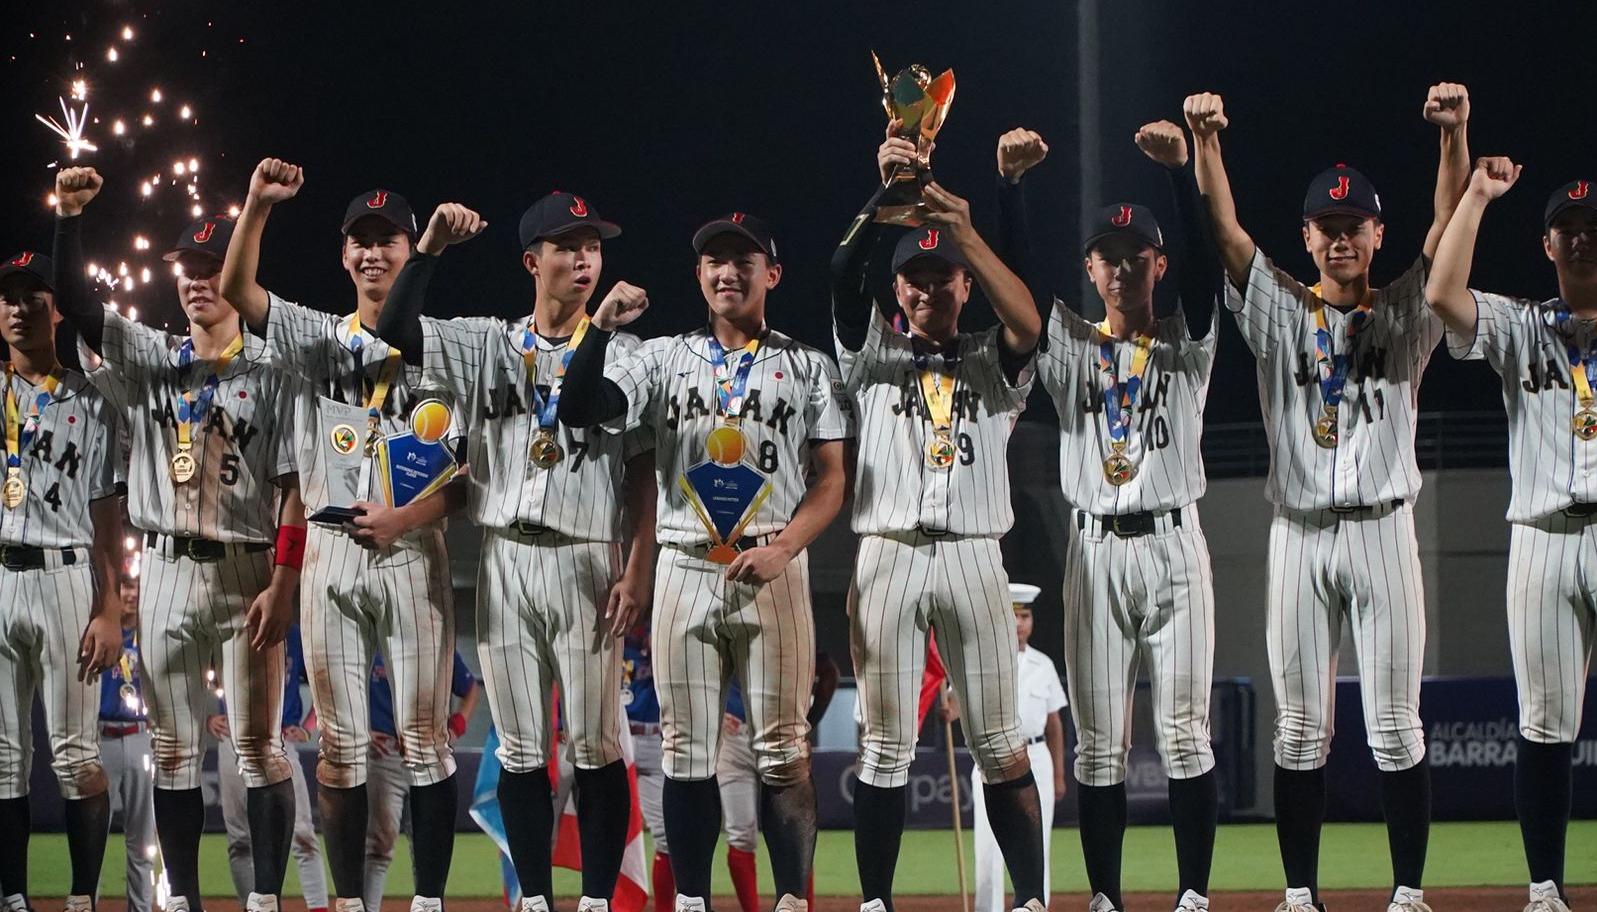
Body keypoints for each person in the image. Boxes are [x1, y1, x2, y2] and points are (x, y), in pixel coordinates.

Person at [1185, 84, 1472, 912]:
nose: (1341, 236)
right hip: (1299, 533)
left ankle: (1409, 891)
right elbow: (1227, 234)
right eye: (1328, 225)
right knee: (1299, 728)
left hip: (1383, 529)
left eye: (1355, 225)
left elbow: (1448, 230)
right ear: (1307, 234)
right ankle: (1301, 894)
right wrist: (1208, 140)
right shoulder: (1280, 312)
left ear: (1377, 234)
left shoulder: (1409, 312)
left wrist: (1453, 138)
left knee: (1394, 726)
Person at [559, 211, 854, 912]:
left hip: (772, 560)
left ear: (770, 275)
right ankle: (690, 900)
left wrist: (785, 547)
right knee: (686, 750)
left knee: (782, 750)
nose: (727, 271)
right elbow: (577, 409)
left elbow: (832, 479)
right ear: (697, 275)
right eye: (713, 260)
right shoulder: (657, 356)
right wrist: (598, 328)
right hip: (685, 563)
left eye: (742, 260)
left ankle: (790, 901)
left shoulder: (809, 364)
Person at [373, 191, 658, 912]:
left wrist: (636, 566)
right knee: (523, 751)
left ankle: (594, 900)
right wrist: (430, 248)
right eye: (567, 246)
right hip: (503, 556)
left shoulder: (627, 352)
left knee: (594, 747)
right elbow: (396, 327)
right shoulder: (487, 342)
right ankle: (533, 898)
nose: (584, 258)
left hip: (586, 558)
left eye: (593, 245)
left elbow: (582, 408)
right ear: (533, 262)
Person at [222, 159, 469, 912]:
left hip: (410, 550)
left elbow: (461, 479)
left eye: (387, 240)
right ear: (343, 255)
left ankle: (425, 900)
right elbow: (237, 291)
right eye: (359, 241)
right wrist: (258, 205)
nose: (372, 253)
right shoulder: (309, 336)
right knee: (339, 749)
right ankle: (353, 903)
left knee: (426, 743)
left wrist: (406, 517)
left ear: (409, 249)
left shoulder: (448, 344)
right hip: (330, 554)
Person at [54, 165, 303, 912]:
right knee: (172, 753)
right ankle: (185, 903)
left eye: (207, 268)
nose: (195, 282)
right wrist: (69, 218)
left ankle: (262, 899)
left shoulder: (277, 369)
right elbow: (76, 304)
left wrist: (285, 585)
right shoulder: (153, 358)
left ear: (235, 273)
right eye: (185, 270)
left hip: (246, 569)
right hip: (163, 567)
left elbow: (294, 488)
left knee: (258, 748)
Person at [992, 119, 1223, 912]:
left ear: (1157, 263)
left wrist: (1177, 177)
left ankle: (1192, 894)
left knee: (1186, 735)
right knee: (1098, 748)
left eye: (1138, 255)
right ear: (1088, 269)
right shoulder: (1069, 347)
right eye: (1107, 256)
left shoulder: (1188, 342)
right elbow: (1015, 291)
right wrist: (1011, 191)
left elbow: (1205, 281)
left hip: (1172, 545)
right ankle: (1105, 898)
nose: (1122, 266)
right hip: (1093, 551)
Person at [832, 124, 1045, 912]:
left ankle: (1027, 901)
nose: (927, 290)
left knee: (998, 742)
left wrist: (968, 230)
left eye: (943, 277)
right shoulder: (868, 354)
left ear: (965, 285)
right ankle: (877, 902)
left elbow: (1029, 321)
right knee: (885, 750)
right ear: (898, 292)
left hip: (971, 552)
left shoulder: (996, 359)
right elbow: (838, 275)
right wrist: (881, 187)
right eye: (913, 280)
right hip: (886, 549)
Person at [1423, 156, 1590, 912]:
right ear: (1546, 245)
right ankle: (1544, 886)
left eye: (1592, 230)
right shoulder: (1525, 327)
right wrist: (1478, 197)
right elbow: (1440, 293)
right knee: (1544, 721)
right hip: (1541, 535)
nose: (1582, 241)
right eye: (1567, 230)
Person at [211, 624, 328, 912]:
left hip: (280, 739)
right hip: (233, 740)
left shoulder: (294, 633)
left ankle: (318, 907)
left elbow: (323, 681)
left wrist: (309, 727)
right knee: (239, 840)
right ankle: (252, 907)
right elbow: (205, 677)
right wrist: (208, 717)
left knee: (303, 834)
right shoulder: (231, 623)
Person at [967, 584, 1066, 912]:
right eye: (1014, 616)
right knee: (988, 845)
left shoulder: (1044, 665)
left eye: (1025, 615)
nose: (1020, 623)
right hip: (992, 756)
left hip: (1036, 755)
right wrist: (945, 707)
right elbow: (955, 706)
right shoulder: (982, 660)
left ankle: (1037, 905)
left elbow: (1054, 725)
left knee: (1040, 842)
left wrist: (1059, 775)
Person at [363, 651, 480, 912]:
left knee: (427, 850)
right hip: (385, 755)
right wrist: (361, 731)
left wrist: (457, 725)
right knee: (378, 846)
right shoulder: (373, 644)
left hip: (426, 753)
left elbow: (470, 688)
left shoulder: (434, 643)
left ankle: (429, 905)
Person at [100, 571, 156, 912]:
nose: (130, 594)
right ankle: (85, 903)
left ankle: (141, 908)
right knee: (92, 839)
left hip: (139, 738)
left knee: (142, 841)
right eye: (124, 587)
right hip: (102, 737)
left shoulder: (149, 636)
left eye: (134, 587)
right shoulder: (99, 630)